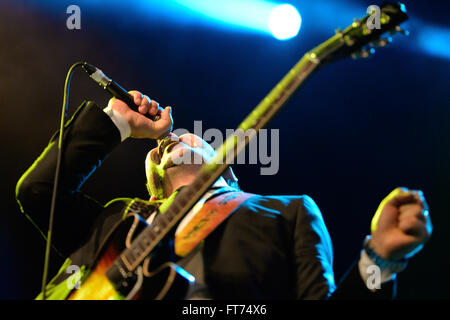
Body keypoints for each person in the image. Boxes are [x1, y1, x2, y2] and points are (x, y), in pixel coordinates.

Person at [15, 91, 432, 300]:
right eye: (154, 150)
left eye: (182, 137)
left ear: (225, 166)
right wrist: (117, 123)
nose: (164, 143)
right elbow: (38, 191)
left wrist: (380, 260)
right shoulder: (114, 222)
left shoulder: (286, 211)